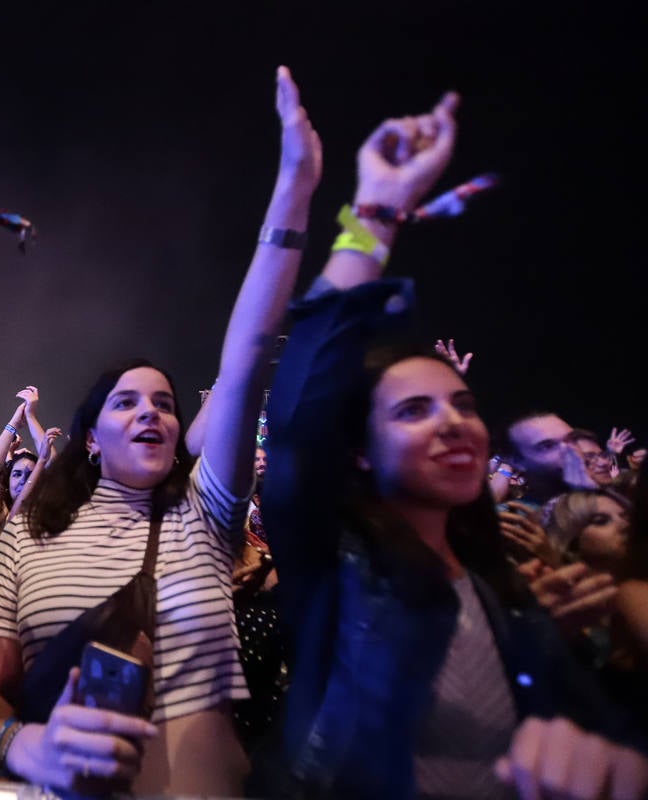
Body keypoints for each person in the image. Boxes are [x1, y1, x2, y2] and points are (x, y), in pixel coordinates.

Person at [263, 92, 648, 798]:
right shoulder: (332, 560)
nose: (453, 423)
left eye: (464, 405)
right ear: (357, 449)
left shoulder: (503, 588)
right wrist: (374, 211)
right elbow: (300, 407)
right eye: (413, 411)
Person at [0, 65, 321, 796]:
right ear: (91, 436)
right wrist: (19, 742)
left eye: (163, 402)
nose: (152, 413)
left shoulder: (207, 512)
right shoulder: (27, 529)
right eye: (127, 403)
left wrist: (293, 188)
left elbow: (248, 357)